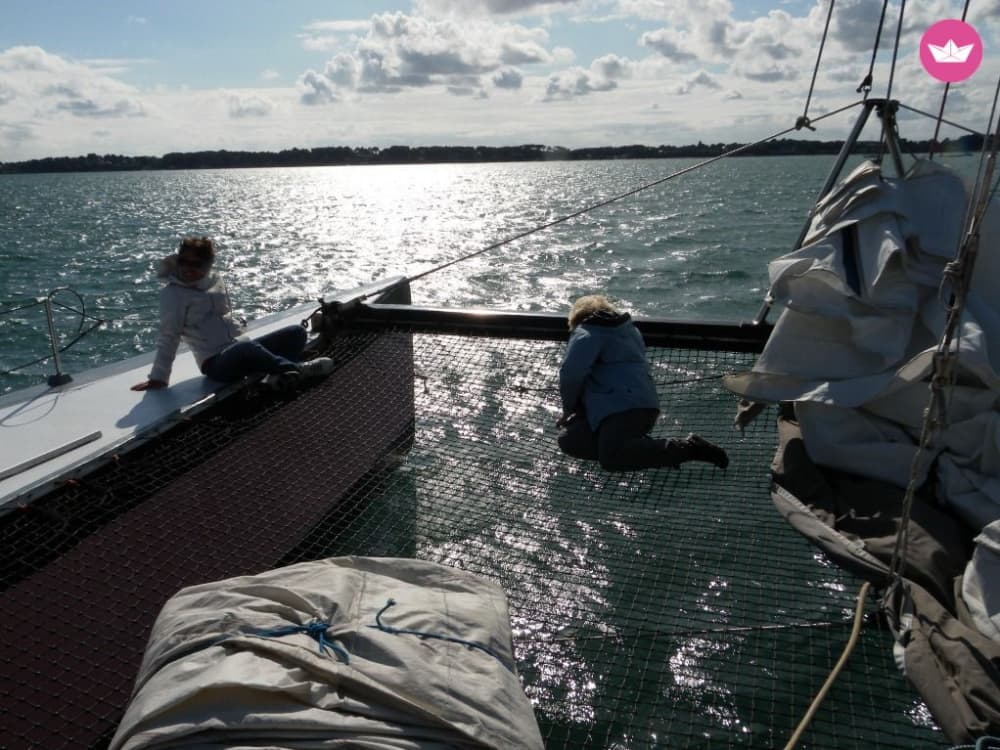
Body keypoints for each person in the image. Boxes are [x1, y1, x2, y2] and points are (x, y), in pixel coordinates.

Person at [131, 236, 334, 391]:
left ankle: (278, 376)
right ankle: (298, 369)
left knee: (296, 332)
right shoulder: (173, 294)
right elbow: (169, 336)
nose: (187, 268)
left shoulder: (214, 282)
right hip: (215, 363)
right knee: (245, 348)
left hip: (238, 348)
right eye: (183, 261)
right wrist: (159, 377)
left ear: (208, 265)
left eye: (196, 264)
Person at [557, 294, 728, 471]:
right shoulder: (630, 331)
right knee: (571, 440)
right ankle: (651, 451)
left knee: (611, 459)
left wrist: (569, 408)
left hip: (621, 409)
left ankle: (689, 448)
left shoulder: (586, 332)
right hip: (644, 405)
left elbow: (571, 372)